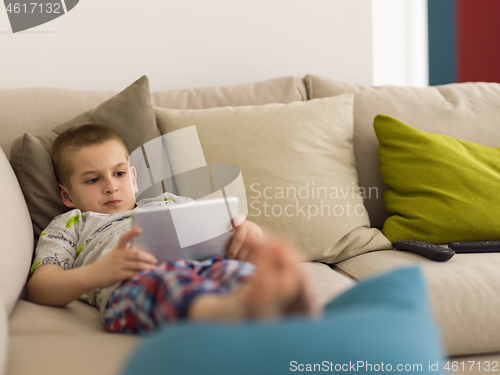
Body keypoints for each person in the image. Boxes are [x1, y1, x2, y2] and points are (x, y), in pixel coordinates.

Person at [26, 123, 318, 335]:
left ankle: (277, 305)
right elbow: (41, 287)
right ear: (66, 196)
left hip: (204, 264)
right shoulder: (70, 224)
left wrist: (245, 232)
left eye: (119, 173)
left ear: (134, 178)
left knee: (238, 273)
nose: (111, 186)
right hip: (130, 286)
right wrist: (96, 274)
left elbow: (221, 231)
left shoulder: (169, 201)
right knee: (165, 284)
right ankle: (226, 313)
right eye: (92, 180)